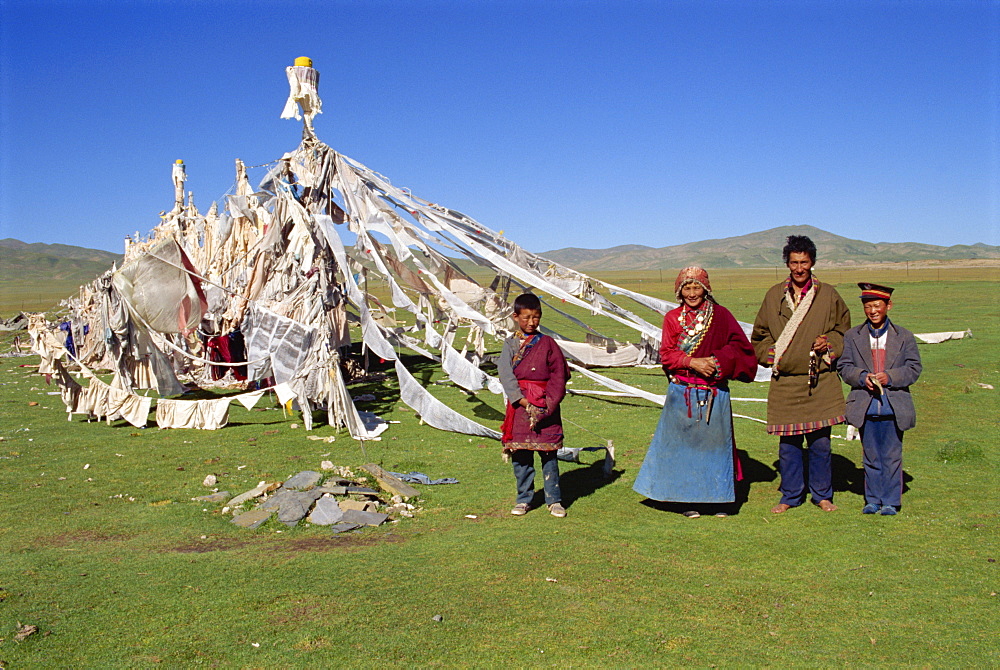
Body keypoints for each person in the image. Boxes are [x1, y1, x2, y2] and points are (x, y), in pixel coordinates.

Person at [633, 267, 758, 517]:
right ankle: (685, 500)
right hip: (684, 391)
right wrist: (693, 362)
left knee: (714, 449)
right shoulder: (672, 319)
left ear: (706, 289)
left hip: (714, 391)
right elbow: (667, 354)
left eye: (696, 287)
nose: (692, 293)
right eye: (686, 288)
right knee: (684, 449)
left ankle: (719, 500)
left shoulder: (721, 316)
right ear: (679, 291)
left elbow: (740, 347)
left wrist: (717, 360)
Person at [751, 235, 851, 513]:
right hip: (785, 382)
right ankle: (790, 495)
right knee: (789, 445)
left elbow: (844, 329)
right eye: (793, 262)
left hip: (820, 381)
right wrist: (771, 355)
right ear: (787, 263)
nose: (799, 268)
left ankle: (822, 494)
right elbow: (758, 336)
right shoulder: (774, 296)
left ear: (813, 262)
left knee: (820, 444)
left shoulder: (828, 294)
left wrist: (829, 342)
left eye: (804, 262)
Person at [837, 283, 922, 515]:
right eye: (868, 306)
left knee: (892, 456)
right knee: (871, 456)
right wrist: (861, 376)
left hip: (894, 407)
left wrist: (890, 377)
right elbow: (844, 367)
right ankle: (873, 499)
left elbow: (914, 368)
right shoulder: (853, 336)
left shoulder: (904, 336)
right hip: (865, 406)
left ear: (888, 306)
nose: (872, 311)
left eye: (877, 305)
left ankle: (891, 501)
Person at [498, 293, 570, 517]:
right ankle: (524, 499)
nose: (531, 322)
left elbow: (560, 374)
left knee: (549, 454)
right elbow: (505, 373)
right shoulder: (509, 344)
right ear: (515, 317)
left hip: (546, 403)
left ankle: (554, 500)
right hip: (520, 406)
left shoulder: (548, 343)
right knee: (521, 455)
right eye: (526, 317)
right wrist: (520, 399)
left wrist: (549, 403)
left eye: (536, 317)